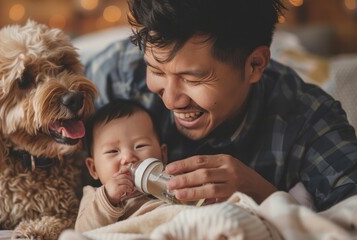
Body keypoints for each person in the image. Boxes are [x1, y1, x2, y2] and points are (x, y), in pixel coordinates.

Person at [83, 0, 357, 211]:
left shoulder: (308, 119)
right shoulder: (117, 75)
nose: (170, 100)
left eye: (193, 78)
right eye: (156, 70)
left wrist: (262, 194)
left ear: (255, 65)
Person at [75, 99, 169, 232]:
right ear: (93, 168)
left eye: (140, 146)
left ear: (163, 154)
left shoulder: (171, 179)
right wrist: (108, 199)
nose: (128, 158)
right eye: (113, 151)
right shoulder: (95, 197)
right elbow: (83, 231)